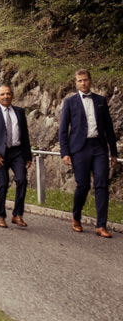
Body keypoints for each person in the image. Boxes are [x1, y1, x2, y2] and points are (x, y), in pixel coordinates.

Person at [59, 68, 118, 238]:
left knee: (102, 184)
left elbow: (109, 128)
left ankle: (101, 225)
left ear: (90, 81)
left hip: (98, 147)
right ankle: (76, 217)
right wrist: (65, 152)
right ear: (75, 83)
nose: (83, 83)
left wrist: (112, 152)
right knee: (83, 185)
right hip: (79, 148)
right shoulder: (70, 102)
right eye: (80, 80)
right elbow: (63, 130)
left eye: (85, 80)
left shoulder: (100, 100)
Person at [0, 84, 33, 229]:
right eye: (3, 94)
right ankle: (0, 215)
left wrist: (28, 155)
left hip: (17, 153)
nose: (6, 97)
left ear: (12, 95)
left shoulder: (19, 111)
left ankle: (17, 215)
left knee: (22, 180)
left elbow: (25, 135)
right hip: (0, 154)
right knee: (3, 184)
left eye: (8, 94)